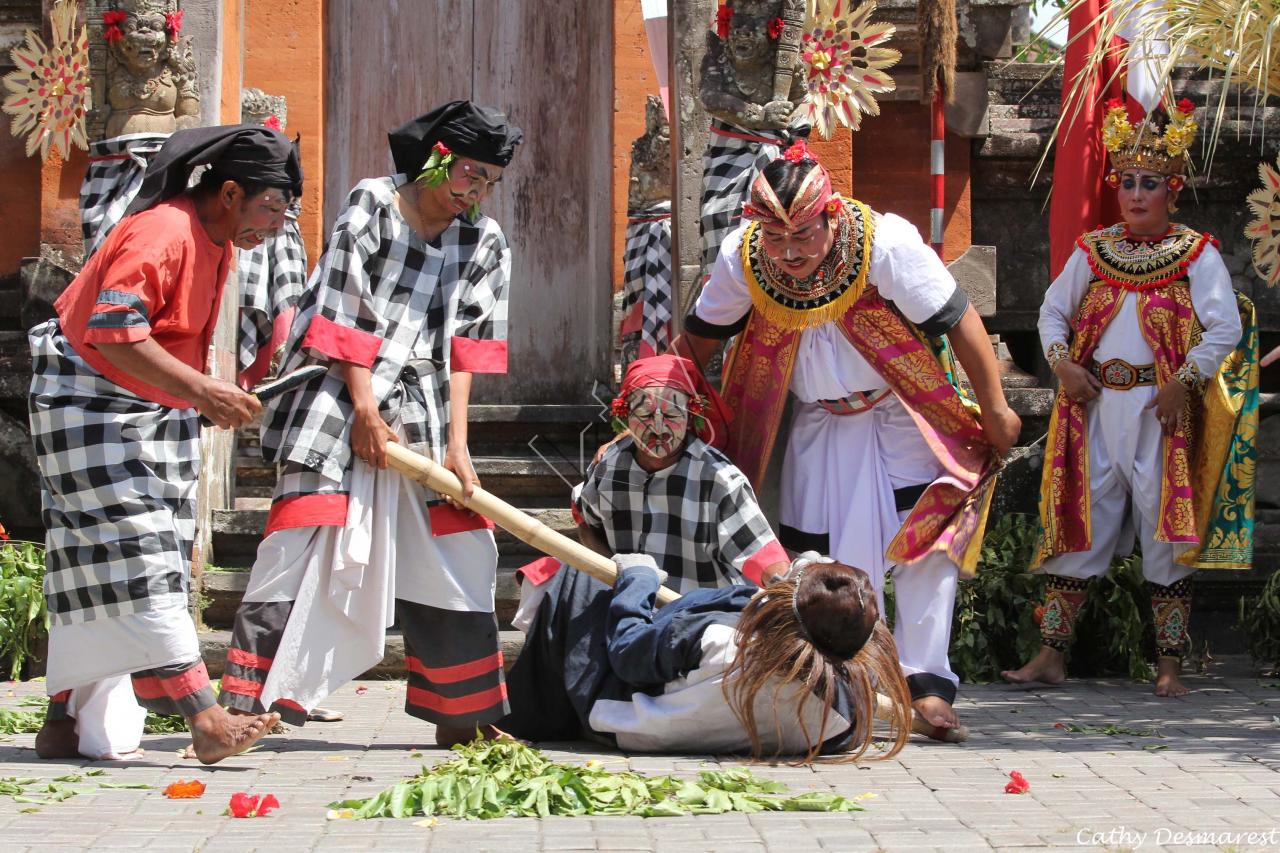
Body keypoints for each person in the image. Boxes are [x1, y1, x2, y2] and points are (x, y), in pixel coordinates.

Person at [671, 140, 1022, 735]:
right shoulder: (743, 258)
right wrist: (664, 400)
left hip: (901, 410)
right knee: (819, 556)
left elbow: (959, 318)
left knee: (926, 541)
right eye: (775, 240)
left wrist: (996, 408)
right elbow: (698, 341)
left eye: (803, 236)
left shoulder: (885, 244)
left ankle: (927, 686)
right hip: (813, 420)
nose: (789, 253)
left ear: (831, 216)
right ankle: (848, 683)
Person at [217, 102, 522, 747]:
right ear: (437, 159)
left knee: (459, 549)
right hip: (335, 391)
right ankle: (244, 710)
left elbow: (467, 349)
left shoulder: (484, 240)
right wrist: (362, 408)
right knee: (297, 543)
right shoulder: (372, 205)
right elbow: (342, 313)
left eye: (490, 180)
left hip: (424, 408)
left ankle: (465, 718)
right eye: (471, 172)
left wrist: (460, 447)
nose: (478, 190)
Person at [29, 124, 303, 763]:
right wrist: (204, 391)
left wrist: (200, 394)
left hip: (142, 412)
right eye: (269, 208)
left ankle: (61, 722)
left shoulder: (219, 240)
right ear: (230, 192)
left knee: (91, 562)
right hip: (88, 407)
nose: (273, 225)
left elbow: (172, 339)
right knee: (143, 556)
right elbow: (113, 329)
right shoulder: (166, 231)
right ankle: (206, 719)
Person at [1002, 100, 1256, 697]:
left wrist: (1182, 381)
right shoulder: (1094, 251)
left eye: (1150, 184)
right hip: (1093, 409)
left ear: (1173, 189)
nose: (1136, 194)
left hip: (1161, 414)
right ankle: (1050, 657)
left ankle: (1169, 664)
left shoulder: (1197, 255)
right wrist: (1062, 364)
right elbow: (1051, 312)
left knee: (1164, 531)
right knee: (1081, 523)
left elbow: (1224, 328)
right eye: (1127, 183)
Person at [503, 552, 912, 761]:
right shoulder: (845, 712)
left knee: (581, 576)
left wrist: (637, 580)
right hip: (681, 702)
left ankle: (540, 712)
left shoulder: (718, 638)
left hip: (621, 721)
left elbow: (628, 653)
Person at [514, 353, 790, 632]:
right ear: (626, 417)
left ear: (690, 415)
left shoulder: (718, 479)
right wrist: (616, 573)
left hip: (702, 623)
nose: (658, 427)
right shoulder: (610, 466)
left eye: (671, 414)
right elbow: (587, 522)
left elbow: (762, 554)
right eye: (645, 415)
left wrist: (789, 587)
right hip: (628, 617)